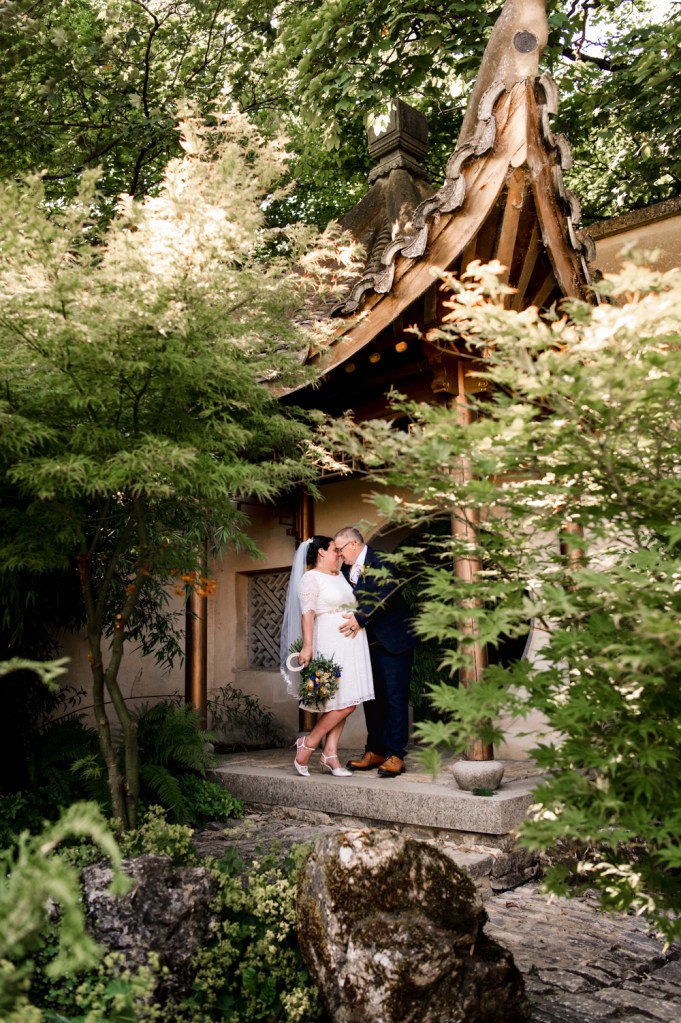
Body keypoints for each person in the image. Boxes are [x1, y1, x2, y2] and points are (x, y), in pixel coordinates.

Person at [280, 535, 374, 778]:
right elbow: (307, 614)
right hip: (330, 643)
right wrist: (308, 647)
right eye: (335, 549)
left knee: (343, 701)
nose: (339, 554)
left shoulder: (342, 575)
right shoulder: (311, 578)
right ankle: (309, 743)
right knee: (345, 703)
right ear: (321, 552)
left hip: (352, 645)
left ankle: (330, 753)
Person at [334, 526, 417, 778]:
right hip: (364, 645)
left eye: (340, 549)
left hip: (393, 641)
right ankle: (376, 750)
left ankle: (396, 754)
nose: (338, 554)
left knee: (394, 698)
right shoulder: (345, 571)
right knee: (371, 699)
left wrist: (361, 617)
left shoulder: (382, 561)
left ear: (353, 545)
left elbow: (387, 593)